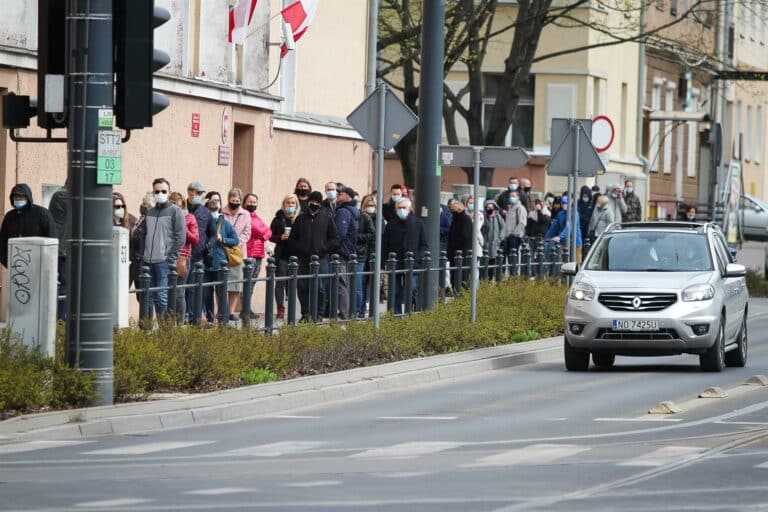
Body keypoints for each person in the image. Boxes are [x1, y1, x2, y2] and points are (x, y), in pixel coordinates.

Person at [132, 178, 185, 319]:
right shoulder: (150, 212)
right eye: (157, 191)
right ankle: (152, 328)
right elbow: (143, 235)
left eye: (163, 191)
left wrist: (170, 257)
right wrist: (142, 255)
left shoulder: (176, 211)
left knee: (162, 297)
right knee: (150, 298)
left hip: (164, 262)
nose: (160, 194)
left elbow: (180, 238)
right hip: (147, 261)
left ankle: (165, 329)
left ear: (169, 192)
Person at [285, 191, 340, 321]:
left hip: (321, 259)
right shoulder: (301, 218)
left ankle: (319, 314)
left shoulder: (327, 217)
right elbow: (292, 239)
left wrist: (323, 249)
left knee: (320, 287)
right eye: (312, 201)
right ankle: (305, 313)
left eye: (316, 202)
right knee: (302, 287)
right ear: (308, 202)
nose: (314, 204)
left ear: (320, 203)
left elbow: (335, 239)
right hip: (303, 259)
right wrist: (300, 248)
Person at [381, 198, 427, 314]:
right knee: (395, 292)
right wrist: (382, 265)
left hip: (412, 263)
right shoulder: (391, 224)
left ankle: (412, 313)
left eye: (404, 208)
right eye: (399, 208)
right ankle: (396, 316)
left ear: (410, 209)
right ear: (395, 209)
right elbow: (384, 245)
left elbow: (423, 244)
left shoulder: (418, 223)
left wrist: (418, 257)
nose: (401, 210)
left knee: (412, 289)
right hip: (395, 263)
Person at [0, 183, 57, 268]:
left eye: (21, 197)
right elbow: (3, 240)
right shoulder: (9, 216)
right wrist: (7, 262)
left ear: (28, 197)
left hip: (38, 263)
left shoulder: (41, 213)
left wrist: (47, 262)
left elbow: (52, 237)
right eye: (15, 197)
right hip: (16, 265)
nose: (18, 199)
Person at [204, 196, 240, 323]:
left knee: (221, 292)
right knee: (206, 293)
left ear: (219, 209)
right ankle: (209, 319)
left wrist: (223, 239)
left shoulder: (225, 224)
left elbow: (235, 240)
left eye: (215, 207)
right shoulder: (203, 222)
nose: (213, 211)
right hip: (206, 263)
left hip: (220, 263)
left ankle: (223, 320)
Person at [185, 181, 215, 323]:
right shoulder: (182, 208)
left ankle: (194, 318)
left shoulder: (205, 212)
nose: (201, 195)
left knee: (194, 288)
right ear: (190, 192)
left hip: (198, 255)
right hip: (182, 254)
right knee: (182, 288)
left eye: (202, 193)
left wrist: (207, 246)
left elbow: (213, 234)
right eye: (198, 192)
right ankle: (183, 316)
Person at [221, 188, 251, 321]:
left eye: (237, 200)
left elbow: (247, 233)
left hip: (238, 252)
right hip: (222, 250)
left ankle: (231, 312)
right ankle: (221, 311)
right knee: (221, 283)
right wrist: (226, 241)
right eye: (232, 200)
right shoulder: (221, 212)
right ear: (228, 199)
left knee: (235, 284)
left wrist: (235, 242)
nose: (235, 202)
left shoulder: (245, 214)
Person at [269, 194, 301, 319]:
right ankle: (280, 308)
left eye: (293, 203)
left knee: (294, 282)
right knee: (280, 282)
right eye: (288, 203)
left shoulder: (300, 218)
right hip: (282, 255)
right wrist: (279, 238)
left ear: (296, 205)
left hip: (296, 256)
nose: (290, 205)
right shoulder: (278, 219)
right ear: (284, 204)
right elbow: (270, 235)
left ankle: (293, 308)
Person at [169, 192, 199, 323]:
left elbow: (195, 239)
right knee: (165, 292)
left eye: (178, 206)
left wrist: (182, 226)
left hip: (182, 257)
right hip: (166, 257)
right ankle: (168, 324)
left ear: (183, 206)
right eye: (172, 205)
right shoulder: (165, 217)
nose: (175, 208)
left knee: (179, 293)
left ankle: (179, 323)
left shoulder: (189, 217)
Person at [333, 186, 359, 320]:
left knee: (342, 283)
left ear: (347, 197)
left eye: (340, 194)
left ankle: (344, 314)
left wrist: (331, 246)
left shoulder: (343, 211)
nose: (337, 195)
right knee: (346, 283)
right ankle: (347, 313)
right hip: (348, 251)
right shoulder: (351, 210)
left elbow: (340, 233)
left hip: (341, 251)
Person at [49, 182, 70, 321]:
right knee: (64, 285)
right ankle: (60, 321)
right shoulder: (62, 195)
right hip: (63, 251)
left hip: (68, 249)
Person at [546, 194, 583, 263]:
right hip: (563, 242)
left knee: (576, 263)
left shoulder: (574, 213)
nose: (564, 205)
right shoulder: (560, 214)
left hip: (575, 242)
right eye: (563, 203)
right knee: (563, 262)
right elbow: (554, 227)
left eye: (566, 203)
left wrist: (559, 237)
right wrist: (547, 237)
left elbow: (570, 227)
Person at [243, 193, 272, 281]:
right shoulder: (243, 215)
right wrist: (264, 233)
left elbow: (269, 231)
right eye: (250, 202)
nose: (252, 204)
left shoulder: (255, 216)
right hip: (249, 253)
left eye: (254, 202)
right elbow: (256, 229)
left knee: (253, 280)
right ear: (244, 203)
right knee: (247, 281)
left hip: (259, 253)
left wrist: (263, 236)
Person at [356, 194, 376, 317]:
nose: (371, 207)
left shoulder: (379, 218)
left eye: (373, 205)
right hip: (363, 253)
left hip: (373, 254)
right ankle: (362, 308)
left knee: (372, 282)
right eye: (368, 205)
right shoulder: (361, 217)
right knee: (362, 282)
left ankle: (371, 309)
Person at [447, 199, 473, 288]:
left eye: (454, 210)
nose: (452, 212)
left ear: (460, 209)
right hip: (454, 254)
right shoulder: (455, 219)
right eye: (451, 210)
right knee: (454, 277)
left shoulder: (465, 219)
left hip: (462, 255)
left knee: (462, 278)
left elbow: (466, 238)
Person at [503, 190, 528, 263]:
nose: (511, 198)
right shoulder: (510, 208)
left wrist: (514, 234)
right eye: (510, 196)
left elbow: (522, 223)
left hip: (515, 237)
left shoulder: (520, 208)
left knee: (514, 258)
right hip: (508, 236)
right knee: (509, 258)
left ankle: (514, 270)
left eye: (513, 196)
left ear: (518, 197)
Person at [482, 199, 505, 275]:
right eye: (488, 207)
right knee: (485, 262)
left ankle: (492, 277)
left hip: (495, 243)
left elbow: (503, 227)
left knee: (494, 261)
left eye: (491, 207)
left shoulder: (497, 216)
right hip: (485, 244)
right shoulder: (483, 217)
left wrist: (500, 238)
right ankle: (486, 278)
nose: (490, 209)